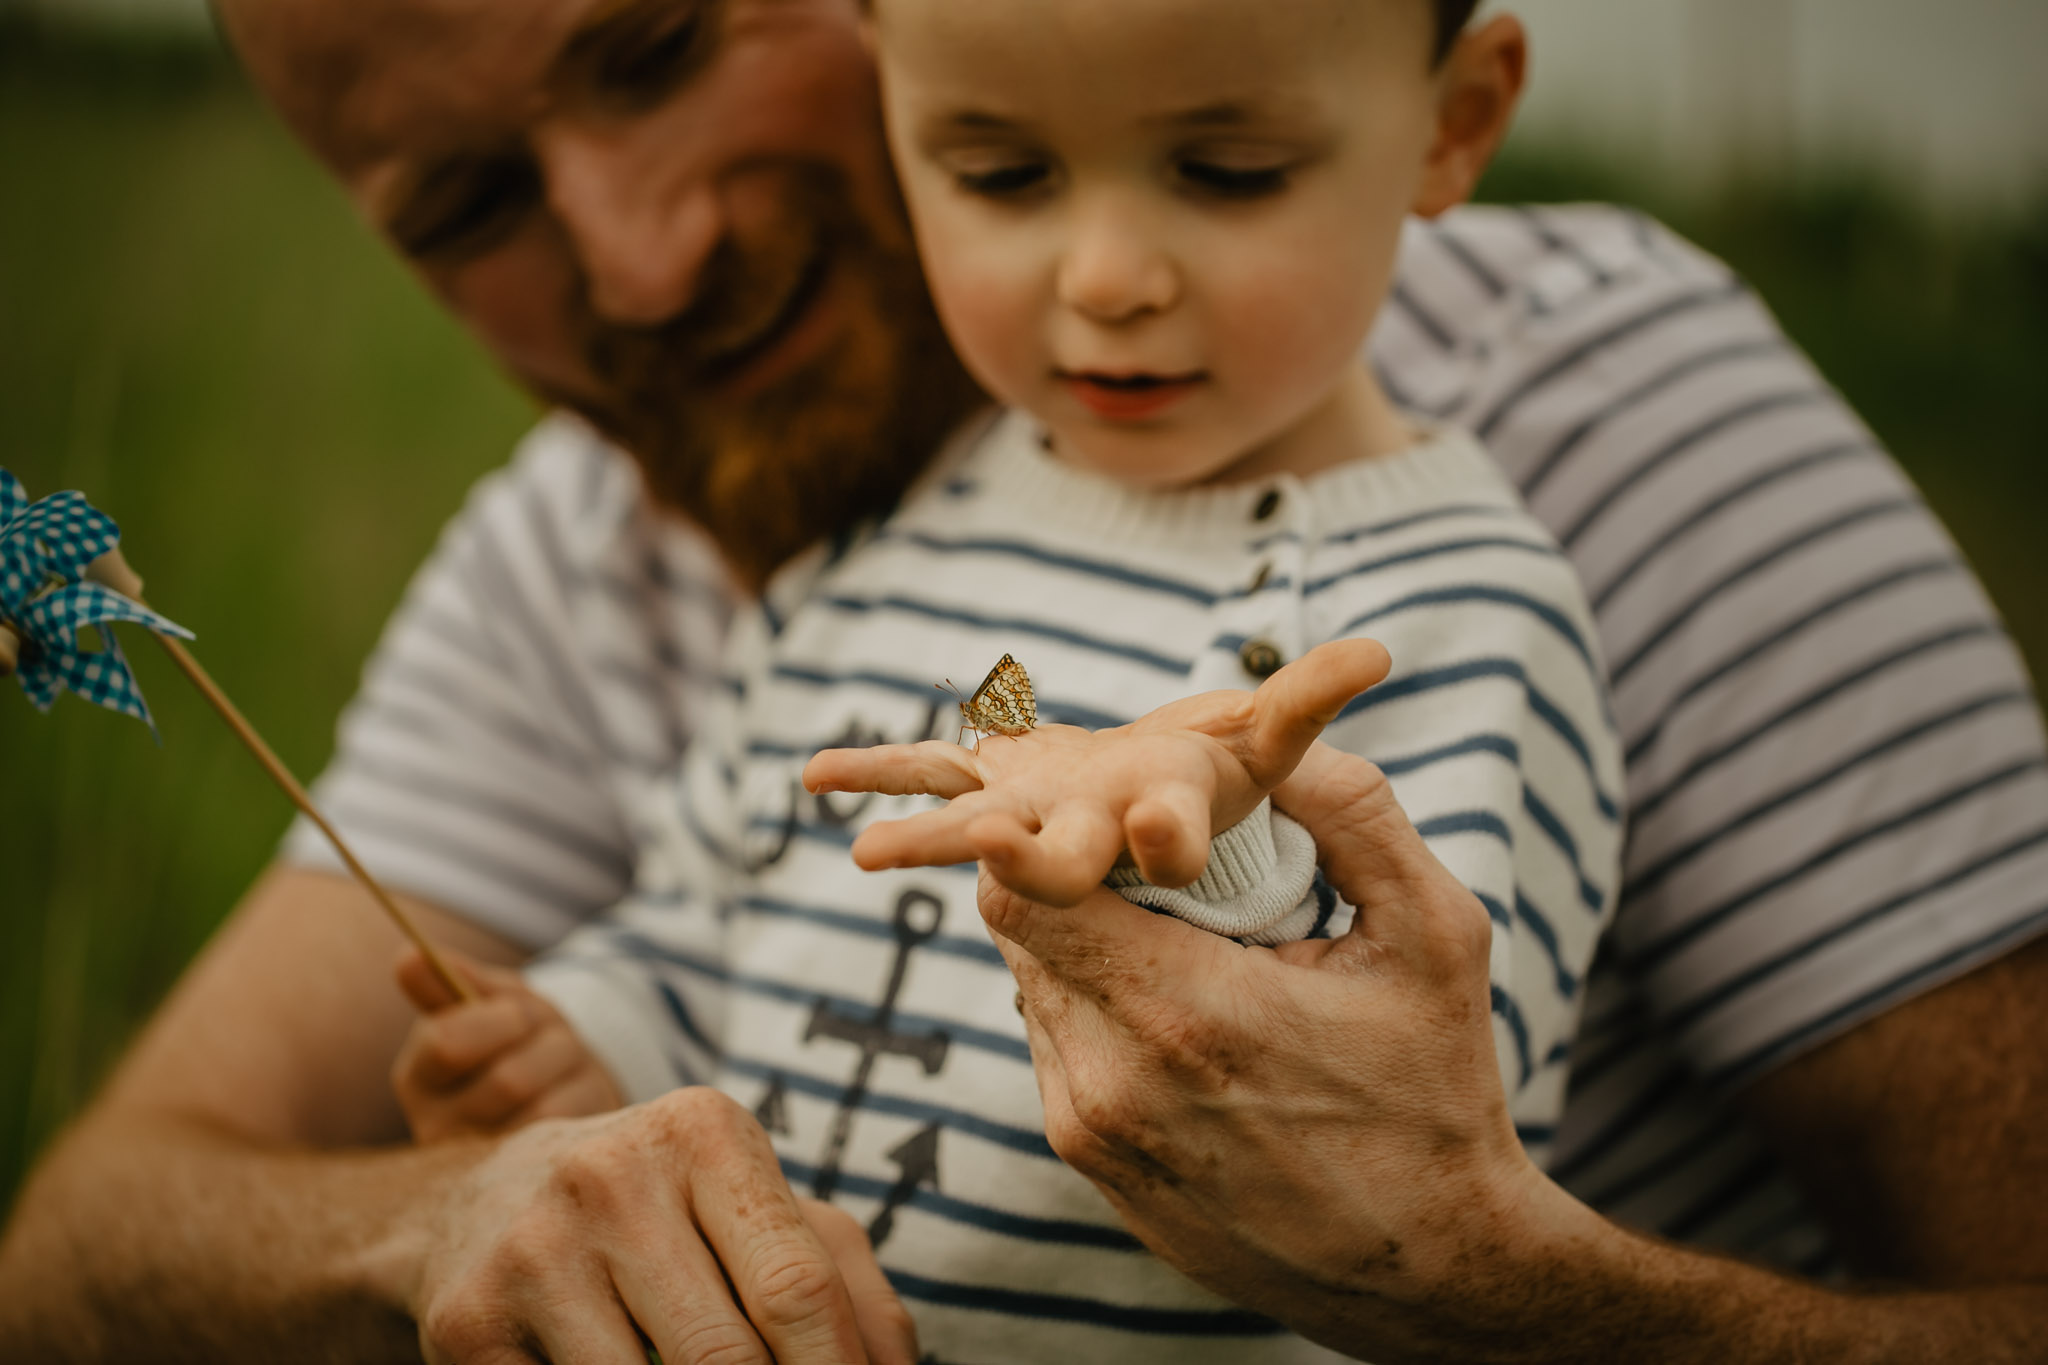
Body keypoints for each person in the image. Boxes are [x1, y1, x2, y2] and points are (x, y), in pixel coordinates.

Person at [0, 0, 2041, 1359]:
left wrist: (1513, 1272)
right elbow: (81, 1242)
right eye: (464, 203)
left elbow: (1408, 1011)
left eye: (650, 44)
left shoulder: (1528, 482)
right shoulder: (699, 551)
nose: (638, 259)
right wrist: (534, 1110)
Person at [379, 8, 1624, 1354]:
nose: (1105, 276)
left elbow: (1430, 1101)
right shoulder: (893, 530)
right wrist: (599, 1033)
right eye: (1002, 177)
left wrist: (1203, 841)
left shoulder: (1455, 604)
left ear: (1454, 122)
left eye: (1228, 171)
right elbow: (718, 910)